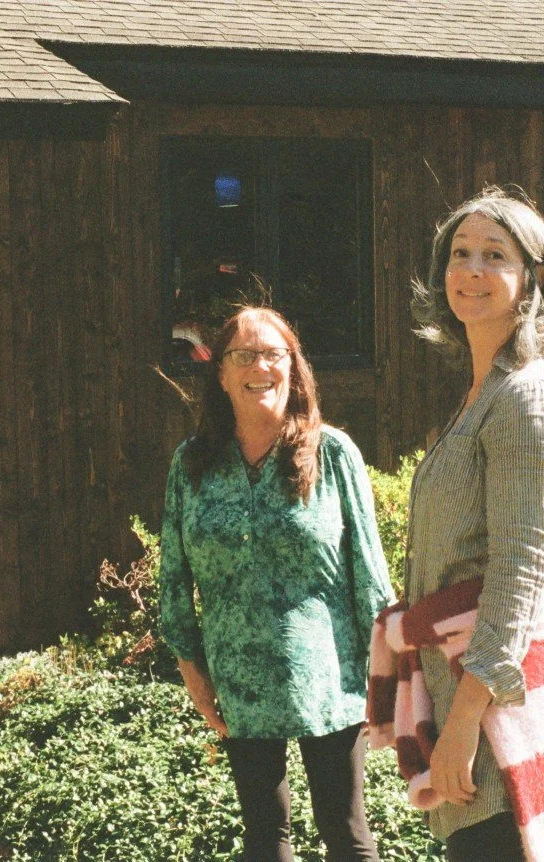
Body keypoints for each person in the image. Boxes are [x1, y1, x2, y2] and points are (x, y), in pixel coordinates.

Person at [370, 188, 544, 862]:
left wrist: (466, 719)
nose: (470, 269)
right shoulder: (484, 392)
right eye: (459, 253)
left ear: (535, 279)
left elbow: (522, 565)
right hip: (468, 687)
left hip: (499, 706)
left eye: (494, 256)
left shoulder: (527, 390)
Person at [159, 306, 395, 862]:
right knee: (265, 842)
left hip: (330, 678)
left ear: (294, 368)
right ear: (220, 373)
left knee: (347, 834)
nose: (259, 366)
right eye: (244, 354)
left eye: (273, 354)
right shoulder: (192, 463)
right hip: (237, 677)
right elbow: (174, 577)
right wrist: (193, 672)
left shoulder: (333, 454)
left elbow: (371, 576)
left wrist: (388, 679)